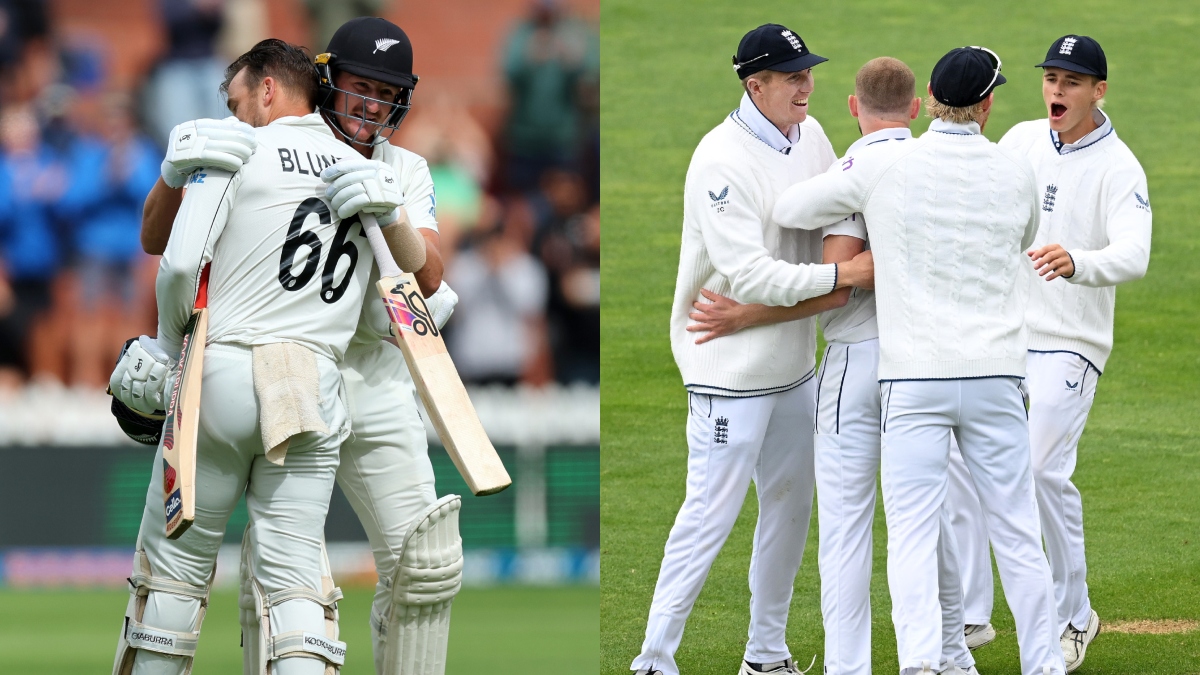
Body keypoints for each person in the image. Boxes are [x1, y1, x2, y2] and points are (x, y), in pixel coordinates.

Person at [126, 18, 464, 675]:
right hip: (307, 373)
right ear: (324, 81)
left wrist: (393, 218)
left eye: (386, 93)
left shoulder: (402, 168)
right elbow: (166, 246)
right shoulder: (253, 138)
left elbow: (429, 278)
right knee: (287, 574)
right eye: (361, 87)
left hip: (365, 375)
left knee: (424, 565)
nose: (372, 104)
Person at [772, 46, 1065, 675]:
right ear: (987, 105)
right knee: (1016, 533)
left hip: (914, 381)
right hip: (994, 375)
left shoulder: (887, 166)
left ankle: (921, 666)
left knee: (910, 534)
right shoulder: (1016, 172)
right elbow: (1020, 237)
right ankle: (1043, 665)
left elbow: (790, 211)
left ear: (929, 96)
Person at [687, 56, 979, 675]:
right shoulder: (947, 167)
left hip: (851, 370)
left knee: (846, 533)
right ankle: (949, 656)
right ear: (916, 106)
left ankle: (850, 667)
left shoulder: (846, 175)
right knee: (928, 524)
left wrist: (744, 316)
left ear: (853, 108)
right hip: (928, 364)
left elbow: (801, 225)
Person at [630, 24, 873, 675]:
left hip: (794, 369)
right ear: (753, 83)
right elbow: (752, 275)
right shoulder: (720, 160)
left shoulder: (814, 135)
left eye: (808, 73)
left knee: (792, 512)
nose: (807, 86)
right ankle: (654, 658)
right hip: (727, 369)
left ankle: (766, 654)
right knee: (708, 514)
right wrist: (841, 278)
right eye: (792, 77)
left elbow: (839, 213)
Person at [946, 34, 1152, 672]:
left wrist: (1078, 261)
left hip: (1071, 344)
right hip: (1006, 336)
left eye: (1071, 82)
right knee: (955, 457)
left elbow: (1134, 255)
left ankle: (1076, 613)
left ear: (1099, 91)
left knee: (1039, 472)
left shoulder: (1121, 167)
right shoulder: (1022, 142)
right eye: (1051, 79)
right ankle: (974, 614)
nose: (1056, 91)